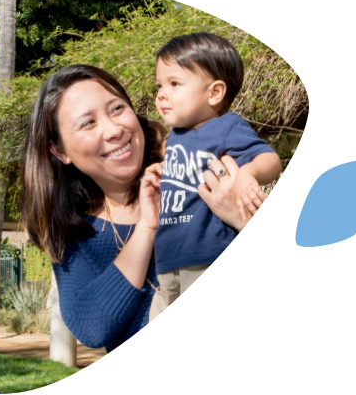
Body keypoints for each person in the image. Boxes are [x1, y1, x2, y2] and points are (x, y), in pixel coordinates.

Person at [21, 64, 254, 354]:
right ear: (60, 151)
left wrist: (240, 216)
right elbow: (91, 327)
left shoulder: (195, 167)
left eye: (117, 108)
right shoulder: (73, 230)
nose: (114, 129)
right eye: (88, 123)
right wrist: (146, 227)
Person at [150, 32, 282, 320]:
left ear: (214, 93)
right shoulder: (174, 138)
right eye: (159, 84)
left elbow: (271, 160)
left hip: (207, 255)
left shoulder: (226, 127)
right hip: (168, 261)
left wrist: (247, 173)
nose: (161, 93)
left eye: (174, 83)